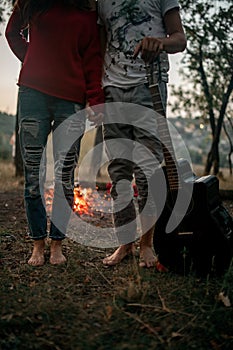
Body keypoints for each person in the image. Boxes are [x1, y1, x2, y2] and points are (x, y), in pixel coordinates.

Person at [5, 0, 104, 266]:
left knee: (64, 175)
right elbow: (12, 33)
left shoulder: (87, 12)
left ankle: (57, 244)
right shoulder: (35, 3)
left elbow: (93, 59)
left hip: (70, 101)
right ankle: (38, 243)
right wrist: (34, 61)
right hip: (32, 95)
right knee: (33, 172)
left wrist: (95, 99)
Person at [97, 0, 186, 268]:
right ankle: (125, 245)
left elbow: (180, 40)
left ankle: (147, 245)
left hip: (149, 86)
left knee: (147, 171)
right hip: (111, 89)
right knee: (119, 171)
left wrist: (159, 42)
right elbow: (100, 46)